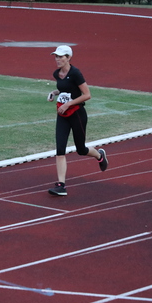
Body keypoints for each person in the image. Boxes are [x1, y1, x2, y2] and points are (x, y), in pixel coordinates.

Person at [46, 45, 108, 196]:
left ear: (68, 58)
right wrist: (54, 92)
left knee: (81, 149)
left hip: (77, 114)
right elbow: (65, 89)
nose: (57, 59)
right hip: (62, 116)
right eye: (56, 56)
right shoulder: (57, 73)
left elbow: (87, 95)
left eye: (61, 56)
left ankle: (99, 155)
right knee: (60, 149)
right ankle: (61, 185)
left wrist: (68, 104)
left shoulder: (75, 73)